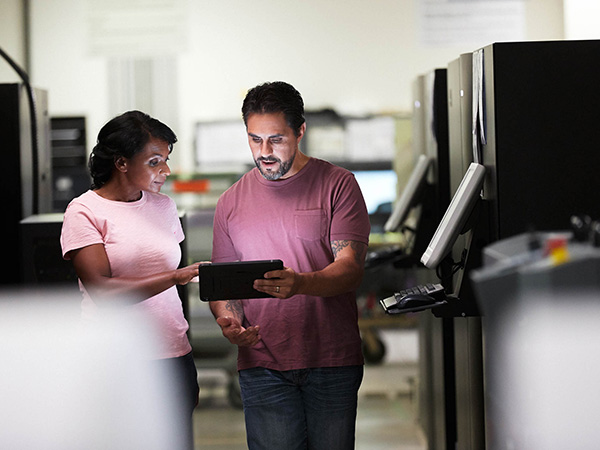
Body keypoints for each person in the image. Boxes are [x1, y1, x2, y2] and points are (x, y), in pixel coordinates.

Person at [210, 81, 371, 449]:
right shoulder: (231, 202)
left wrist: (300, 284)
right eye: (255, 139)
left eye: (276, 140)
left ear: (300, 131)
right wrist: (230, 322)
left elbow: (350, 269)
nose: (264, 152)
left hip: (331, 359)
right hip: (262, 362)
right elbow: (225, 287)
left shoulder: (338, 185)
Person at [60, 110, 200, 449]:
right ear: (122, 163)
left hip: (172, 351)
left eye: (165, 160)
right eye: (154, 162)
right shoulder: (84, 211)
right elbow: (102, 291)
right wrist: (174, 276)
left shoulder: (164, 207)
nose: (165, 171)